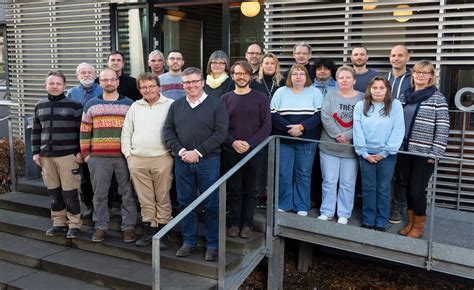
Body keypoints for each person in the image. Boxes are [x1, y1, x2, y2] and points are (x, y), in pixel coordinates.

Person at [163, 67, 228, 261]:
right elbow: (168, 132)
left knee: (211, 204)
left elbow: (220, 133)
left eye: (194, 82)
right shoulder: (176, 106)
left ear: (202, 82)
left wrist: (197, 152)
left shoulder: (216, 105)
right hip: (182, 161)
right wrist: (183, 152)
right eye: (187, 82)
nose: (190, 86)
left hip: (208, 161)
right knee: (185, 202)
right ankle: (188, 241)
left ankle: (212, 245)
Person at [80, 68, 137, 243]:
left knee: (128, 194)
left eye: (112, 79)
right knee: (99, 194)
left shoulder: (130, 104)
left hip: (123, 157)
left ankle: (128, 227)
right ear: (100, 82)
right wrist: (86, 155)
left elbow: (136, 131)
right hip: (98, 158)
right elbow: (84, 131)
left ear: (118, 82)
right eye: (105, 80)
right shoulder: (91, 104)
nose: (109, 83)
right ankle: (100, 226)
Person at [397, 60, 450, 239]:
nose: (420, 75)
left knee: (417, 190)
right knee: (407, 187)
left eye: (424, 73)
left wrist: (436, 153)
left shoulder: (437, 97)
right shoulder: (405, 96)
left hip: (424, 153)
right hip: (404, 151)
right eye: (417, 72)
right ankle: (411, 222)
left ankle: (419, 226)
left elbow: (443, 128)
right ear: (413, 75)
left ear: (430, 76)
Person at [121, 73, 174, 248]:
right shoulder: (135, 107)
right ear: (139, 89)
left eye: (151, 86)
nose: (148, 90)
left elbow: (176, 130)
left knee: (163, 196)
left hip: (162, 158)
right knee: (145, 198)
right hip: (138, 160)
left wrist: (172, 153)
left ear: (159, 86)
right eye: (143, 87)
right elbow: (126, 132)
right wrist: (129, 155)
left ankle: (164, 232)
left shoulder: (170, 105)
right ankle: (149, 231)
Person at [221, 61, 271, 238]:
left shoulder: (261, 98)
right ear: (232, 76)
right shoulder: (225, 99)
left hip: (254, 151)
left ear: (250, 76)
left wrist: (250, 143)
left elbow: (266, 126)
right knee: (234, 189)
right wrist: (233, 142)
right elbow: (220, 128)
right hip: (230, 151)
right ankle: (234, 223)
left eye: (244, 73)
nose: (241, 76)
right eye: (237, 73)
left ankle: (247, 224)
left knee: (251, 189)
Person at [32, 70, 83, 239]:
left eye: (58, 83)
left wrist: (80, 151)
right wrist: (35, 152)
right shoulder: (39, 106)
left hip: (68, 156)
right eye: (51, 83)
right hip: (46, 157)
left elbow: (82, 131)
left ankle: (74, 224)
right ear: (45, 85)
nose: (54, 86)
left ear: (64, 86)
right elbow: (36, 131)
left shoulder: (75, 105)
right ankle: (58, 222)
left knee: (70, 192)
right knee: (54, 192)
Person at [271, 64, 324, 216]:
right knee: (284, 174)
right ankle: (284, 204)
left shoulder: (315, 92)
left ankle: (302, 206)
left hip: (307, 141)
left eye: (302, 74)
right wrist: (290, 129)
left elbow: (318, 115)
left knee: (303, 174)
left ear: (306, 77)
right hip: (285, 140)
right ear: (290, 77)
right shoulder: (281, 92)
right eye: (295, 74)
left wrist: (301, 128)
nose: (298, 76)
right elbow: (273, 113)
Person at [353, 76, 405, 231]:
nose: (377, 91)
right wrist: (363, 152)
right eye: (374, 87)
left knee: (383, 188)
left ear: (387, 89)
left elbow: (398, 130)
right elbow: (358, 130)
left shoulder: (395, 105)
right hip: (366, 153)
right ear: (369, 89)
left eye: (381, 88)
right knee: (368, 188)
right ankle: (368, 219)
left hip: (387, 155)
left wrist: (384, 153)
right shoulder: (361, 106)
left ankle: (381, 220)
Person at [318, 65, 364, 224]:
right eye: (341, 77)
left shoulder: (362, 98)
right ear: (336, 80)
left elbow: (363, 121)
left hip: (351, 150)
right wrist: (337, 135)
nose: (344, 80)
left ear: (354, 80)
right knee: (329, 182)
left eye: (347, 77)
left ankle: (344, 213)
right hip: (329, 147)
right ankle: (327, 211)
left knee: (347, 183)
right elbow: (326, 117)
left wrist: (347, 136)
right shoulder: (330, 95)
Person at [67, 62, 103, 218]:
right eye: (83, 72)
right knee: (85, 179)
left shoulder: (103, 90)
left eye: (90, 72)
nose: (86, 75)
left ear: (95, 75)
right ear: (77, 76)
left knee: (102, 177)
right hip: (80, 141)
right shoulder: (71, 93)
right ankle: (89, 205)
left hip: (101, 141)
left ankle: (103, 207)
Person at [250, 52, 286, 208]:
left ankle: (274, 195)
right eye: (266, 63)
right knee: (260, 163)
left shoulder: (283, 82)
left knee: (277, 163)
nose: (269, 66)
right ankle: (259, 194)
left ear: (276, 65)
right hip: (259, 128)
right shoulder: (254, 82)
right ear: (261, 65)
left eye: (272, 63)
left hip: (279, 127)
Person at [386, 44, 412, 224]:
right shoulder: (383, 78)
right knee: (387, 173)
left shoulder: (413, 79)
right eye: (393, 55)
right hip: (382, 135)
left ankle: (397, 208)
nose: (396, 58)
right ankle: (384, 206)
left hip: (404, 134)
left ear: (407, 58)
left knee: (401, 175)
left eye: (400, 55)